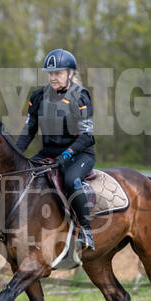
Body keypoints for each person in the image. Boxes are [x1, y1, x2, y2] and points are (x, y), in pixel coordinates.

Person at [16, 49, 96, 251]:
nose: (53, 77)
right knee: (20, 176)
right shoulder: (38, 97)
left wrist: (65, 155)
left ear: (70, 73)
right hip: (48, 153)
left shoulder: (80, 97)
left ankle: (86, 231)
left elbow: (87, 137)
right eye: (50, 73)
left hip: (78, 155)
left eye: (58, 73)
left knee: (70, 180)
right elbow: (29, 131)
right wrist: (15, 153)